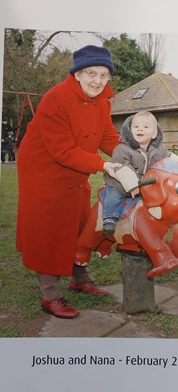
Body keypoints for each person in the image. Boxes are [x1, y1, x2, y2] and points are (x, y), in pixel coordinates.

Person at [16, 45, 122, 319]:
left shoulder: (102, 101)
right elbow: (61, 150)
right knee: (49, 230)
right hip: (45, 171)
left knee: (79, 222)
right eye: (90, 73)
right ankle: (51, 296)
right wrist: (102, 164)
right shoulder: (56, 99)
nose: (97, 80)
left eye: (103, 74)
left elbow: (108, 137)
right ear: (76, 74)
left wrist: (133, 154)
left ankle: (80, 278)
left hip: (76, 170)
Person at [101, 111, 178, 235]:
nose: (140, 129)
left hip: (144, 183)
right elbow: (122, 168)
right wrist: (133, 186)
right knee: (114, 196)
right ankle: (109, 219)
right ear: (130, 130)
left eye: (145, 127)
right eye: (136, 127)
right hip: (119, 181)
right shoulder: (122, 149)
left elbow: (170, 157)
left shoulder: (157, 149)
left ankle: (153, 221)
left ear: (154, 133)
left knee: (153, 198)